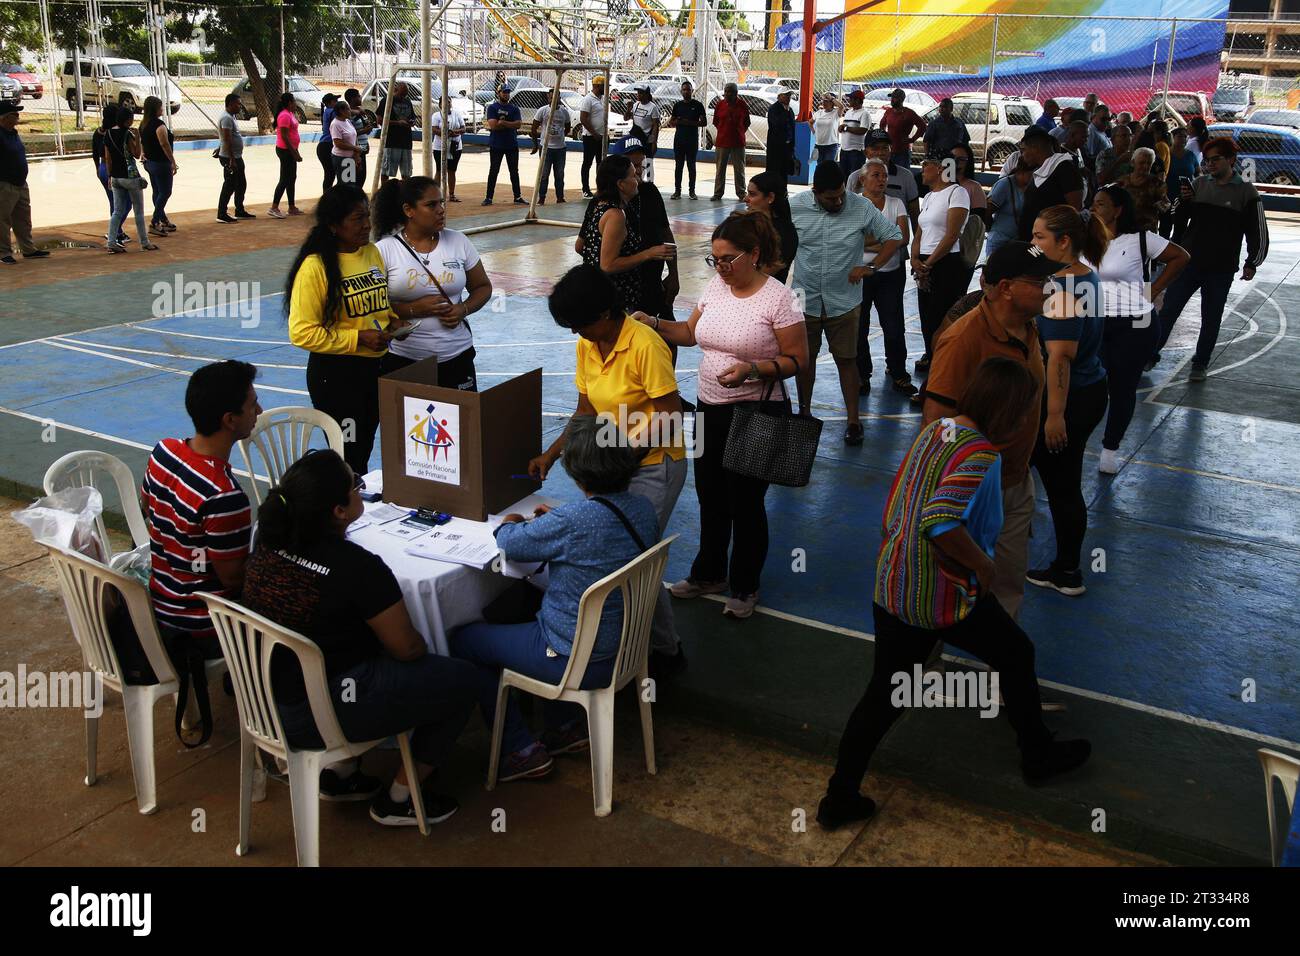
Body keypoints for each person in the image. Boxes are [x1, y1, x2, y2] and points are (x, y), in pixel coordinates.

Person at [817, 356, 1091, 831]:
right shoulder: (982, 454)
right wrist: (983, 563)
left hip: (895, 583)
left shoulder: (935, 431)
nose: (1029, 415)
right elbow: (940, 521)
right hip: (939, 593)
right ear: (1008, 408)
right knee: (1016, 652)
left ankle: (840, 795)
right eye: (1027, 406)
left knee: (885, 694)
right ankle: (1038, 754)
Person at [241, 448, 477, 821]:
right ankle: (402, 797)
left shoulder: (266, 544)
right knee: (464, 679)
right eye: (355, 485)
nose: (359, 488)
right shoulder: (358, 568)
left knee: (348, 653)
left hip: (261, 702)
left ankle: (342, 774)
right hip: (318, 715)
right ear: (339, 511)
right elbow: (409, 650)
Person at [451, 414, 660, 782]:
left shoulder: (575, 520)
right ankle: (563, 727)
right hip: (625, 649)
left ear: (579, 476)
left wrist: (513, 521)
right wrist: (559, 520)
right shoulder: (642, 508)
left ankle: (519, 748)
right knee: (528, 605)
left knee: (465, 641)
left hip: (573, 658)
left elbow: (510, 544)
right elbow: (595, 530)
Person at [640, 211, 808, 619]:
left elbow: (798, 359)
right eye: (715, 259)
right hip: (710, 406)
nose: (721, 267)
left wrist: (754, 370)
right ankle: (709, 573)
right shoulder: (716, 287)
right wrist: (654, 323)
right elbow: (691, 334)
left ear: (754, 254)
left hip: (755, 410)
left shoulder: (779, 298)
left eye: (729, 259)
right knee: (710, 495)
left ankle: (745, 584)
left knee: (746, 502)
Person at [532, 265, 688, 669]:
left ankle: (664, 652)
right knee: (630, 561)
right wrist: (551, 454)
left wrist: (623, 456)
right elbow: (586, 409)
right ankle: (638, 646)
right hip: (613, 464)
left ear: (602, 314)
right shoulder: (589, 343)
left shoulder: (645, 345)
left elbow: (671, 414)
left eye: (576, 323)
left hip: (655, 465)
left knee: (634, 562)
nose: (573, 333)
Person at [923, 242, 1063, 622]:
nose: (1051, 287)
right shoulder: (963, 341)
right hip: (970, 486)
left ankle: (1000, 667)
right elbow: (937, 425)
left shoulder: (1029, 327)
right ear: (1005, 288)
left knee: (1008, 578)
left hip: (1016, 479)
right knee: (947, 579)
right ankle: (925, 665)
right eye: (1040, 281)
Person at [141, 360, 258, 652]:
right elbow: (233, 579)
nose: (259, 412)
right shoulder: (224, 496)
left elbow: (148, 505)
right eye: (253, 405)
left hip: (158, 603)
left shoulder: (163, 451)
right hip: (203, 625)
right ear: (230, 420)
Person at [1026, 205, 1111, 596]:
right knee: (1062, 482)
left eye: (1040, 236)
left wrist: (1055, 415)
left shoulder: (1062, 289)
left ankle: (1067, 571)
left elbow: (1059, 356)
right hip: (1090, 388)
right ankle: (1065, 567)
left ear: (1064, 241)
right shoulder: (1085, 276)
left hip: (1069, 396)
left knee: (1061, 487)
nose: (1033, 243)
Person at [287, 186, 398, 475]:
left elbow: (377, 304)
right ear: (334, 225)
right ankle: (343, 511)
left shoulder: (371, 252)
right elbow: (302, 332)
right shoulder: (315, 267)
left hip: (374, 369)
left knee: (363, 449)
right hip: (336, 377)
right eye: (358, 219)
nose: (367, 225)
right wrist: (358, 338)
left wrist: (394, 322)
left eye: (368, 216)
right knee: (348, 457)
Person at [791, 161, 904, 444]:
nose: (838, 201)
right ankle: (803, 414)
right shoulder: (795, 206)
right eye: (831, 198)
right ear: (815, 192)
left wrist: (873, 267)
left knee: (847, 360)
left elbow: (894, 236)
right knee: (805, 362)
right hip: (804, 299)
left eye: (841, 194)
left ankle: (854, 421)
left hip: (845, 301)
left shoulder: (860, 206)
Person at [1089, 184, 1188, 475]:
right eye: (1093, 203)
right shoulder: (1086, 238)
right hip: (1095, 320)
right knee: (1089, 385)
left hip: (1136, 322)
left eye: (1102, 204)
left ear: (1118, 210)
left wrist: (1154, 289)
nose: (1095, 208)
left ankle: (1110, 448)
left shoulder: (1140, 239)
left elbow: (1181, 257)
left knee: (1122, 387)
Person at [1151, 136, 1267, 381]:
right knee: (1169, 309)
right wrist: (1183, 203)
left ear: (1231, 160)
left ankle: (1200, 363)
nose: (1210, 164)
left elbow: (1257, 230)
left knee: (1211, 318)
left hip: (1221, 268)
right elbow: (1177, 220)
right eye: (1207, 160)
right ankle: (1151, 354)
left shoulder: (1246, 192)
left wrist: (1252, 262)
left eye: (1216, 160)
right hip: (1189, 263)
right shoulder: (1199, 184)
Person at [372, 176, 493, 390]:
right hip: (404, 359)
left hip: (457, 355)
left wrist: (462, 309)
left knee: (462, 421)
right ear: (409, 210)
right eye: (431, 205)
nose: (441, 210)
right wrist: (412, 309)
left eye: (441, 203)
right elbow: (373, 306)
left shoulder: (459, 241)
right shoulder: (385, 250)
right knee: (409, 422)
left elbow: (483, 287)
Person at [578, 153, 672, 313]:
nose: (637, 178)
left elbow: (581, 246)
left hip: (603, 294)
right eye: (633, 175)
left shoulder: (600, 206)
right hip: (615, 300)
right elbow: (607, 265)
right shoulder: (615, 215)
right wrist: (648, 254)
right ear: (621, 184)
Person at [852, 159, 913, 396]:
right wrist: (886, 242)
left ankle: (898, 371)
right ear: (862, 179)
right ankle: (861, 374)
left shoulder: (896, 203)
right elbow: (850, 239)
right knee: (860, 327)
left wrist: (871, 242)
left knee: (894, 326)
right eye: (876, 175)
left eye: (884, 175)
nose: (882, 180)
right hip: (860, 276)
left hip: (890, 276)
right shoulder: (853, 204)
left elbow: (902, 239)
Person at [911, 154, 971, 375]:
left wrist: (929, 264)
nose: (923, 169)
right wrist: (916, 259)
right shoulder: (928, 197)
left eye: (926, 164)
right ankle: (932, 363)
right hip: (925, 263)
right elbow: (919, 232)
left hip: (945, 263)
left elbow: (951, 235)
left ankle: (942, 372)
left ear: (940, 168)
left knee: (939, 320)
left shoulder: (957, 193)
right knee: (926, 319)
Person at [618, 138, 680, 324]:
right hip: (623, 287)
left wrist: (674, 274)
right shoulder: (608, 205)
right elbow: (586, 248)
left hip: (652, 281)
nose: (639, 170)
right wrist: (645, 255)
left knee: (665, 332)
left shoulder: (650, 192)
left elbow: (665, 231)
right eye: (633, 166)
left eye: (641, 164)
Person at [103, 103, 157, 253]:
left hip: (115, 177)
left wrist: (109, 175)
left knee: (117, 211)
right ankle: (144, 242)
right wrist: (138, 137)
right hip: (130, 176)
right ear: (127, 121)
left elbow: (108, 158)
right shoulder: (128, 134)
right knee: (138, 211)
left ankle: (111, 241)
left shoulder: (108, 134)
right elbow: (137, 154)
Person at [1015, 125, 1083, 241]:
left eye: (1024, 150)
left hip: (1049, 243)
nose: (1022, 156)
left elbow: (1074, 209)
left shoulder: (1064, 168)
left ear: (1035, 148)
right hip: (1032, 242)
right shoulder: (1041, 170)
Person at [0, 101, 48, 264]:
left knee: (23, 219)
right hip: (5, 184)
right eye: (14, 114)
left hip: (21, 183)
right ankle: (4, 252)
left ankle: (28, 249)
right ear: (4, 118)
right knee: (3, 220)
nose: (18, 116)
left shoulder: (13, 132)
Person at [744, 169, 797, 285]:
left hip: (766, 298)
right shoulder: (747, 225)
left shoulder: (785, 233)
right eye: (748, 193)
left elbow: (763, 274)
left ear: (770, 197)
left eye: (752, 194)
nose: (746, 199)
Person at [862, 129, 919, 229]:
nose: (880, 153)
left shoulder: (906, 176)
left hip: (898, 241)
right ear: (865, 152)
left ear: (890, 149)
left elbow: (914, 212)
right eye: (875, 148)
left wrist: (917, 241)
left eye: (884, 148)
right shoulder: (855, 177)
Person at [140, 96, 177, 235]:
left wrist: (143, 152)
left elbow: (142, 141)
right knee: (166, 192)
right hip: (161, 163)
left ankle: (162, 218)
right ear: (155, 109)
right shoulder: (159, 125)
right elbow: (164, 144)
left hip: (150, 163)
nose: (162, 109)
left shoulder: (144, 124)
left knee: (157, 191)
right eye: (160, 107)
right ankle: (155, 221)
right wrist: (172, 161)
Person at [483, 84, 525, 206]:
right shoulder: (492, 108)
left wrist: (503, 122)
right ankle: (489, 197)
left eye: (507, 92)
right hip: (496, 144)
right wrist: (508, 124)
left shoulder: (514, 108)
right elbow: (493, 126)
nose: (506, 94)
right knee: (494, 171)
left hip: (511, 144)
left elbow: (518, 124)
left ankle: (517, 196)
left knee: (514, 171)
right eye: (504, 92)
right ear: (499, 93)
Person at [711, 82, 750, 202]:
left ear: (736, 93)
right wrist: (724, 131)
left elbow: (746, 122)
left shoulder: (742, 105)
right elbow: (716, 121)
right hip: (722, 142)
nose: (727, 94)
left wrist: (739, 131)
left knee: (739, 169)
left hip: (738, 142)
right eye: (726, 91)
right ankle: (718, 193)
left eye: (730, 92)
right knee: (720, 169)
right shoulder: (720, 104)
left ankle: (741, 193)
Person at [216, 93, 252, 223]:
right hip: (230, 157)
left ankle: (239, 210)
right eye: (238, 103)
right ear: (230, 104)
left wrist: (219, 147)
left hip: (236, 156)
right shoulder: (226, 118)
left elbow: (225, 137)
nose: (240, 106)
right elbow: (227, 138)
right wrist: (231, 159)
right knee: (229, 185)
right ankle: (221, 213)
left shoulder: (231, 116)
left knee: (241, 184)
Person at [530, 94, 572, 204]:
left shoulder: (564, 112)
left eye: (556, 97)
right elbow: (534, 128)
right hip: (546, 148)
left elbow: (567, 127)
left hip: (560, 148)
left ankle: (560, 197)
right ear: (548, 99)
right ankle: (541, 198)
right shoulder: (543, 111)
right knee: (544, 174)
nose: (553, 99)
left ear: (559, 98)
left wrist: (560, 136)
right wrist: (535, 144)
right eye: (550, 97)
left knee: (559, 174)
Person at [668, 80, 706, 199]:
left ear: (692, 91)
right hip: (679, 140)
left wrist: (689, 123)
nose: (686, 91)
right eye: (684, 89)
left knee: (691, 166)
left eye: (688, 89)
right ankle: (677, 191)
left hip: (692, 140)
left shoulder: (698, 105)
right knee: (679, 166)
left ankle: (692, 191)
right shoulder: (677, 105)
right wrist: (677, 121)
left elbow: (704, 122)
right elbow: (671, 122)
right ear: (681, 91)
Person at [267, 91, 302, 220]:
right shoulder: (284, 116)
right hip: (285, 150)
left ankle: (292, 207)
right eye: (294, 102)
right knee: (285, 179)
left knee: (292, 177)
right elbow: (285, 136)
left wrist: (295, 151)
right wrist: (294, 152)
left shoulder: (290, 114)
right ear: (289, 103)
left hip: (291, 150)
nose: (295, 104)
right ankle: (274, 207)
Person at [1118, 147, 1170, 233]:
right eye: (1141, 163)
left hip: (1147, 232)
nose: (1145, 166)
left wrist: (1162, 205)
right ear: (1132, 163)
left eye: (1149, 163)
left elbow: (1166, 203)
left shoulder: (1157, 184)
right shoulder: (1121, 182)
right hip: (1124, 230)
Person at [986, 159, 1029, 258]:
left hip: (1019, 242)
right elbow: (987, 211)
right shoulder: (1004, 184)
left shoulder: (1031, 186)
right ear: (1022, 171)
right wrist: (992, 230)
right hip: (999, 241)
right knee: (994, 271)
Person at [1161, 127, 1198, 239]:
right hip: (1167, 196)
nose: (1183, 139)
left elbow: (1198, 172)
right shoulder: (1167, 154)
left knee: (1180, 230)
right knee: (1164, 228)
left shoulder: (1190, 155)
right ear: (1173, 137)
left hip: (1184, 197)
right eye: (1180, 136)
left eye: (1185, 137)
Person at [378, 80, 416, 185]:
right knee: (386, 171)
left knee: (407, 172)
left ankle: (404, 193)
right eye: (401, 94)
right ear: (395, 90)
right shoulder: (386, 101)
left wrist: (411, 122)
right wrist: (397, 123)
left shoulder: (407, 101)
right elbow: (379, 120)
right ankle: (385, 192)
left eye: (405, 94)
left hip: (406, 142)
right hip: (391, 141)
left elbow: (413, 117)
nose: (403, 97)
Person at [879, 88, 926, 170]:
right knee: (887, 173)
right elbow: (882, 124)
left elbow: (922, 126)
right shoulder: (889, 111)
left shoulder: (909, 113)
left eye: (895, 98)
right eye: (892, 98)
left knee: (902, 174)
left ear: (901, 99)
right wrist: (884, 137)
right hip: (889, 151)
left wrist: (912, 139)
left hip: (902, 152)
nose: (892, 100)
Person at [430, 100, 465, 201]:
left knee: (452, 170)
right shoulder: (436, 115)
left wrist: (455, 132)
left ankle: (451, 194)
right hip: (440, 147)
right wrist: (445, 133)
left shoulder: (457, 114)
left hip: (455, 146)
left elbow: (463, 128)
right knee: (439, 169)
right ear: (440, 104)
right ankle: (435, 194)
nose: (447, 104)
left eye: (449, 102)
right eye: (445, 102)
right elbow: (434, 129)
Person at [578, 75, 607, 199]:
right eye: (603, 86)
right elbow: (583, 118)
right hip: (590, 137)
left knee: (601, 163)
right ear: (597, 86)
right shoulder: (588, 99)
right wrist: (594, 133)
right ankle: (585, 189)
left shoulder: (602, 99)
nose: (605, 89)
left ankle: (600, 188)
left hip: (602, 137)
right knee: (587, 163)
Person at [92, 103, 119, 228]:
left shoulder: (98, 132)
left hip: (102, 167)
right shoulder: (113, 133)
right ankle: (116, 231)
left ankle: (117, 230)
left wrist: (97, 168)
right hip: (112, 168)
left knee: (113, 201)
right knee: (121, 203)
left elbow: (94, 153)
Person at [328, 100, 364, 187]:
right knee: (345, 183)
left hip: (350, 157)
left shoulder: (347, 121)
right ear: (341, 111)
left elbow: (354, 136)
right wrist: (355, 148)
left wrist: (356, 155)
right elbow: (338, 143)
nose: (350, 111)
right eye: (348, 109)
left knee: (350, 182)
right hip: (342, 157)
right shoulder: (335, 124)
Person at [837, 89, 870, 179]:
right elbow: (847, 126)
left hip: (856, 152)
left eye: (851, 99)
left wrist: (847, 128)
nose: (849, 101)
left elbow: (863, 130)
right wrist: (842, 127)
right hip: (844, 150)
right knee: (843, 177)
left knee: (855, 178)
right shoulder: (848, 112)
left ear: (858, 100)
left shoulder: (864, 114)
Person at [765, 88, 797, 177]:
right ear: (779, 97)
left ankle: (783, 188)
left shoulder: (790, 110)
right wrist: (785, 112)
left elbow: (792, 127)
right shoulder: (773, 109)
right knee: (775, 169)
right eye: (786, 95)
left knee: (784, 170)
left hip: (787, 146)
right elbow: (777, 124)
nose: (788, 98)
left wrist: (792, 144)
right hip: (776, 146)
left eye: (789, 96)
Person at [344, 88, 373, 186]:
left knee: (361, 178)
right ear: (352, 99)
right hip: (352, 151)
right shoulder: (347, 114)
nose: (361, 97)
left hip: (362, 149)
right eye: (358, 96)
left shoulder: (361, 111)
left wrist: (367, 129)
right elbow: (348, 133)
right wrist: (364, 131)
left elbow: (367, 128)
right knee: (351, 179)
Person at [626, 84, 660, 159]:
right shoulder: (636, 105)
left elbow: (655, 126)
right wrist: (628, 109)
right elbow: (626, 118)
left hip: (646, 139)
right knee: (635, 160)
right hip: (636, 138)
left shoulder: (652, 107)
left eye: (641, 93)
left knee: (648, 162)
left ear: (647, 94)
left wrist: (653, 142)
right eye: (638, 93)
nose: (638, 95)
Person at [317, 92, 339, 191]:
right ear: (330, 103)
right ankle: (327, 197)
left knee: (330, 173)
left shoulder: (327, 111)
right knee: (330, 173)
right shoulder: (332, 112)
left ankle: (327, 195)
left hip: (324, 145)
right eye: (335, 101)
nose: (337, 102)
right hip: (327, 145)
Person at [811, 92, 840, 165]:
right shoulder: (818, 113)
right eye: (823, 101)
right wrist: (814, 131)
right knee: (819, 166)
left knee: (828, 167)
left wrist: (831, 98)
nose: (824, 103)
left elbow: (841, 107)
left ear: (832, 103)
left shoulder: (835, 113)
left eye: (826, 101)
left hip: (831, 145)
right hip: (819, 145)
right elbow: (810, 122)